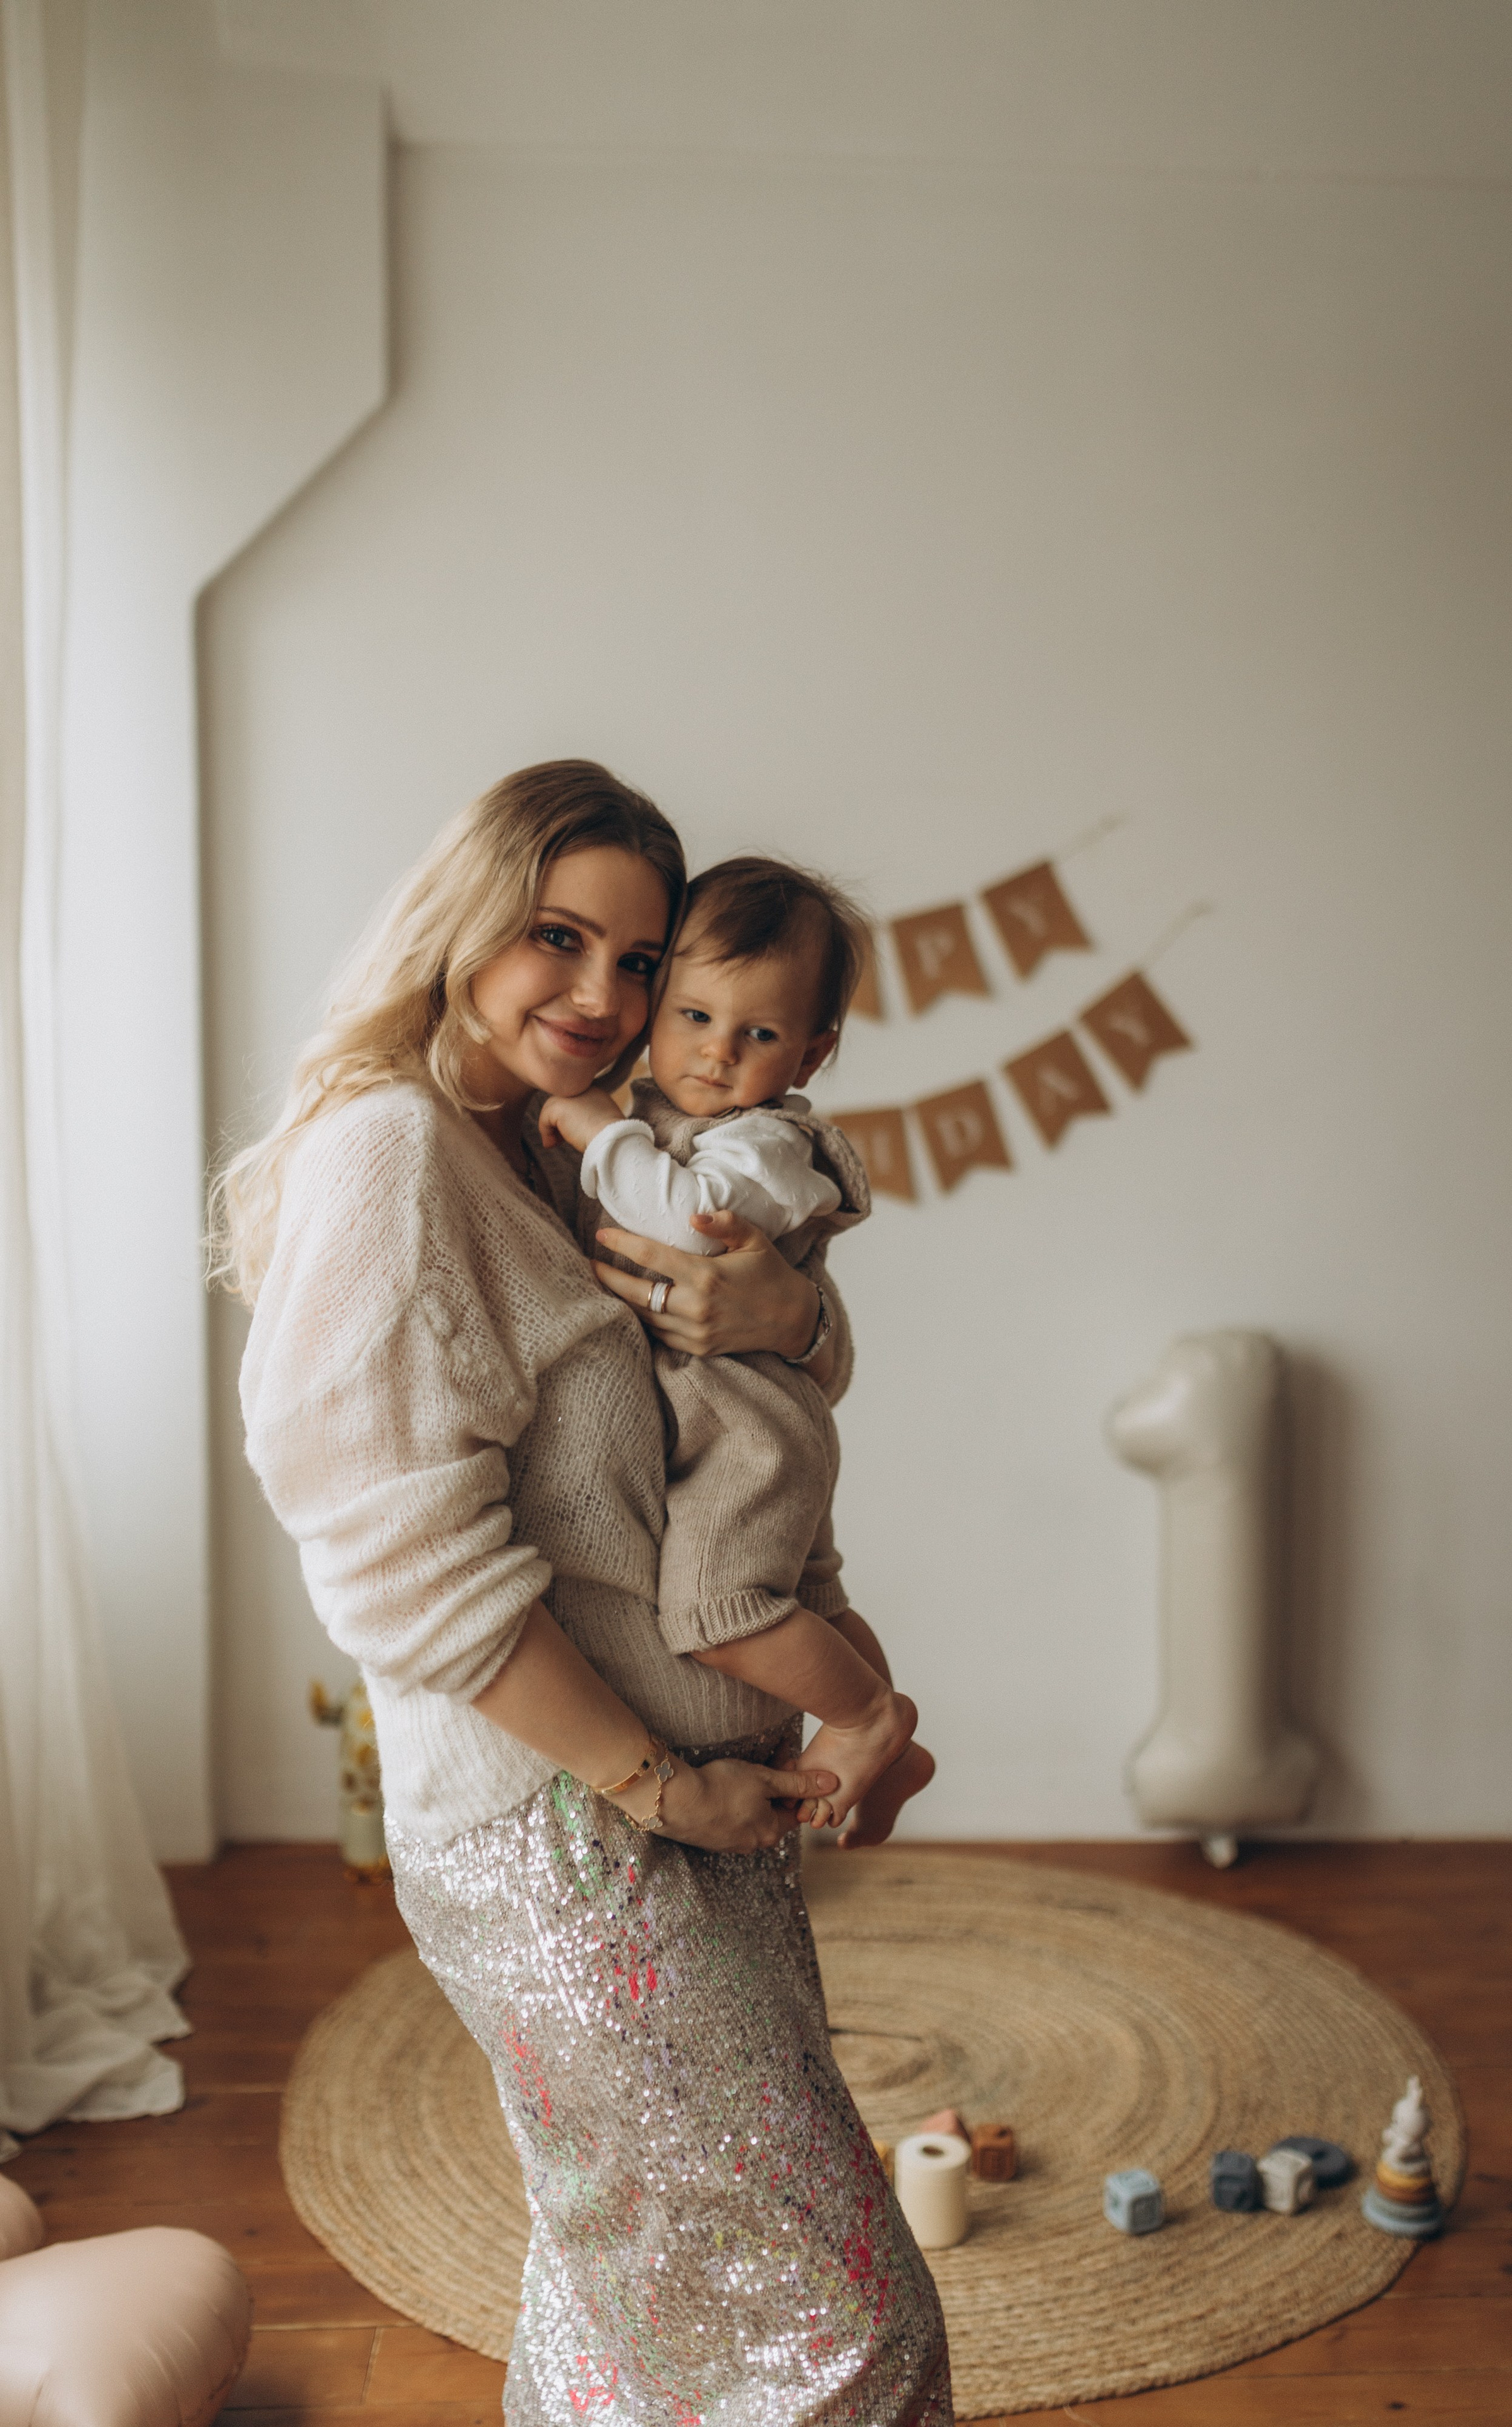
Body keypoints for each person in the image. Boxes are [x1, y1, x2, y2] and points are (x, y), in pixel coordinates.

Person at [215, 762, 952, 2427]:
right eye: (559, 938)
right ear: (466, 919)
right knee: (844, 2317)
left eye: (640, 961)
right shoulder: (394, 1152)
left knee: (637, 2288)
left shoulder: (555, 1148)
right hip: (567, 1836)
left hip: (681, 1817)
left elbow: (737, 1373)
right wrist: (658, 1782)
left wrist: (793, 1328)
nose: (606, 999)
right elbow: (396, 1562)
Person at [540, 855, 936, 1847]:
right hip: (743, 1422)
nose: (717, 1055)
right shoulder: (674, 1113)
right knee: (812, 1598)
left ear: (809, 1056)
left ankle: (866, 1719)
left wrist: (598, 1130)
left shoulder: (760, 1147)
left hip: (747, 1427)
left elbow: (682, 1215)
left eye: (757, 1034)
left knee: (719, 1611)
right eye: (694, 1017)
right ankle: (897, 1755)